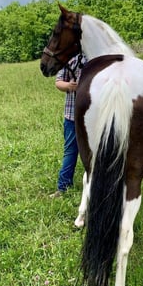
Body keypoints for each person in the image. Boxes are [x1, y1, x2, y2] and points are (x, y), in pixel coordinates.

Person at [50, 52, 87, 197]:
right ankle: (63, 187)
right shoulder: (69, 58)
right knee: (70, 151)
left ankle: (95, 184)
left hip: (93, 116)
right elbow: (58, 81)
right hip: (72, 116)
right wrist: (68, 86)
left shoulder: (94, 56)